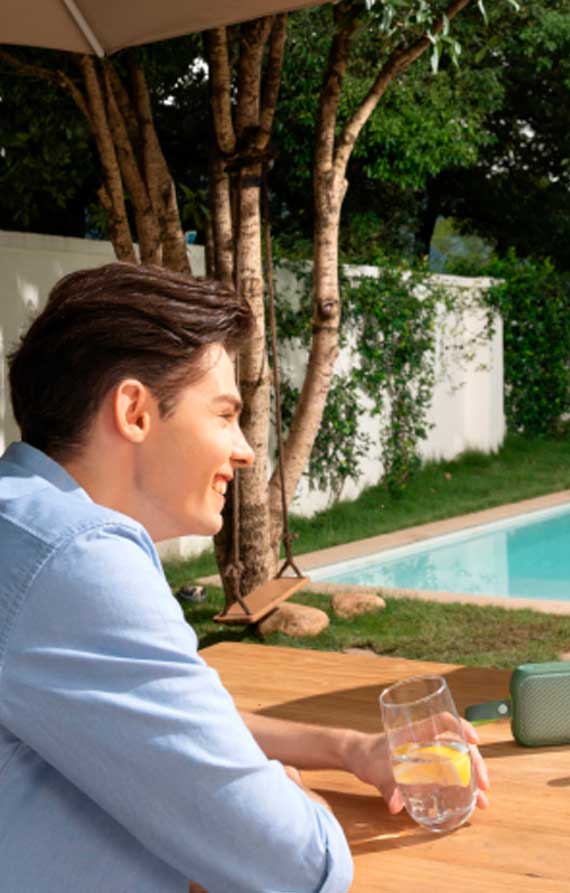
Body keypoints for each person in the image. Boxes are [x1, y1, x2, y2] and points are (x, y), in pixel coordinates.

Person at [0, 263, 489, 891]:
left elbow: (171, 722)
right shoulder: (77, 559)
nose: (246, 449)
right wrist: (292, 799)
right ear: (135, 411)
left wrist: (349, 748)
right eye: (225, 414)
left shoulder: (24, 524)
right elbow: (297, 867)